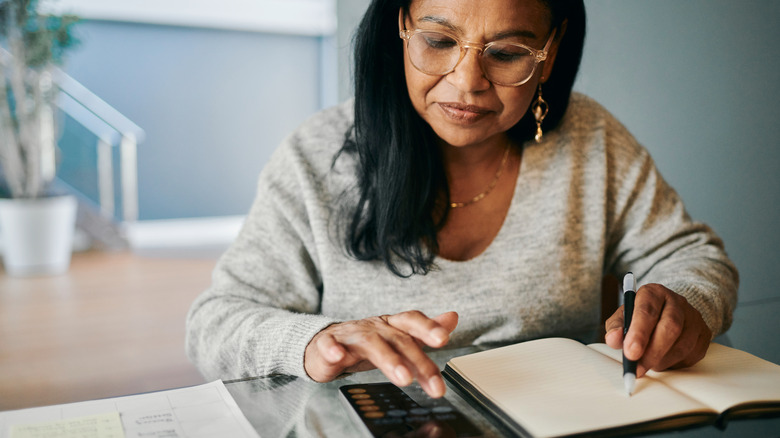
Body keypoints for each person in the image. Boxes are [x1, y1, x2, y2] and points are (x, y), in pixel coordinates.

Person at [185, 0, 738, 399]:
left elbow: (693, 256)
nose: (468, 81)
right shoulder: (315, 156)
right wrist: (316, 342)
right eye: (439, 41)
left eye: (506, 52)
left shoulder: (592, 139)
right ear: (401, 27)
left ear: (550, 51)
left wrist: (684, 299)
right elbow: (214, 324)